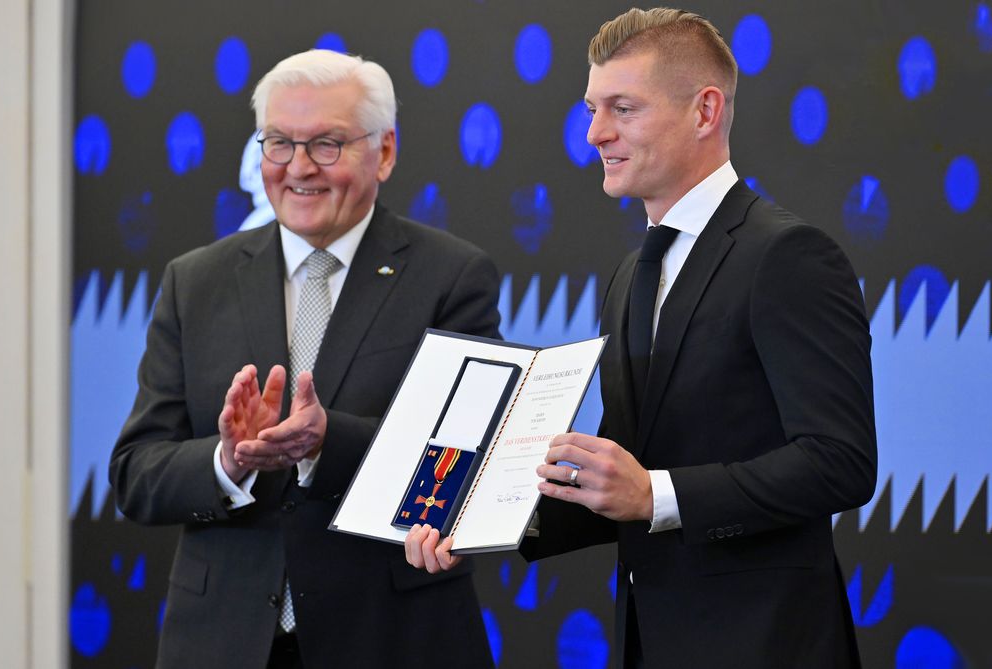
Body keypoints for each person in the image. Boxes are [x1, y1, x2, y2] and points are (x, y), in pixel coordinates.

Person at [405, 8, 877, 668]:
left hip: (767, 643)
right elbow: (624, 476)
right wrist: (486, 515)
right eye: (593, 109)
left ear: (705, 111)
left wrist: (655, 494)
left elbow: (840, 461)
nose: (595, 132)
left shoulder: (789, 256)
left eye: (622, 108)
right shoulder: (633, 274)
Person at [110, 49, 499, 669]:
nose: (298, 169)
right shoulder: (195, 281)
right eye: (279, 143)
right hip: (225, 643)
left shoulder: (452, 278)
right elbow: (136, 474)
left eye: (326, 144)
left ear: (386, 151)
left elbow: (465, 469)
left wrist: (326, 442)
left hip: (390, 637)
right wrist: (226, 461)